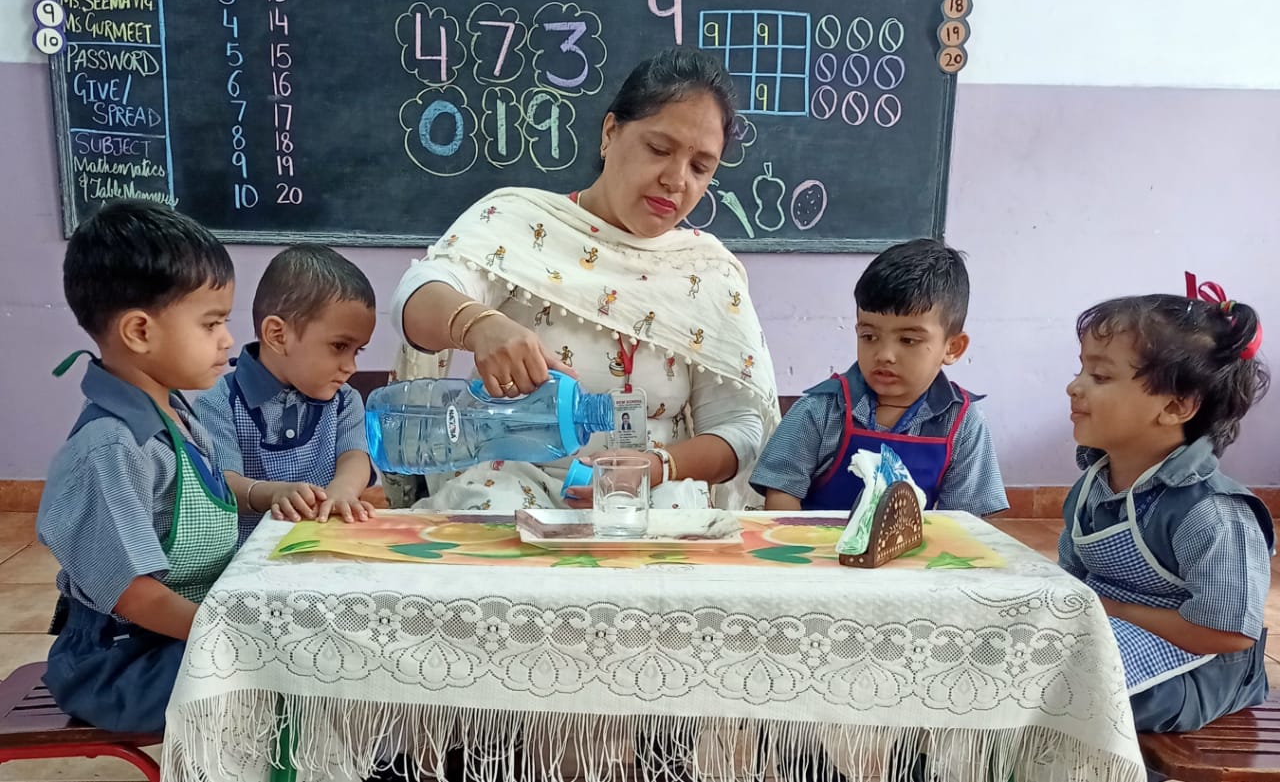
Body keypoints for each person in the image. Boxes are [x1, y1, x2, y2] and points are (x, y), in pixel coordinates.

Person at [387, 48, 779, 512]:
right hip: (514, 488)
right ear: (610, 133)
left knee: (678, 513)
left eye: (700, 168)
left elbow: (740, 427)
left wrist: (657, 467)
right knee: (493, 511)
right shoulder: (521, 223)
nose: (676, 180)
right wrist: (478, 326)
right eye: (659, 149)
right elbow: (416, 295)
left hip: (649, 497)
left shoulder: (705, 272)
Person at [36, 201, 237, 732]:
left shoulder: (174, 412)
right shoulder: (110, 448)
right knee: (280, 679)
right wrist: (236, 633)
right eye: (212, 322)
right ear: (140, 332)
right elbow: (134, 592)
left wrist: (263, 493)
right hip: (118, 663)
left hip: (169, 637)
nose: (228, 340)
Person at [1059, 292, 1272, 732]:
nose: (1075, 386)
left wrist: (1113, 610)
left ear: (1176, 406)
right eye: (1081, 368)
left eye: (1099, 375)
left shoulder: (1213, 512)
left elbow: (1229, 632)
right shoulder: (1090, 489)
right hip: (1113, 632)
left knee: (1066, 694)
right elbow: (1072, 582)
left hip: (1199, 671)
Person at [750, 238, 1008, 515]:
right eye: (869, 336)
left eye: (908, 340)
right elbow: (781, 495)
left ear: (953, 348)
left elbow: (967, 521)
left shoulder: (963, 423)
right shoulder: (820, 410)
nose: (884, 354)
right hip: (816, 552)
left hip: (912, 555)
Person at [197, 244, 378, 543]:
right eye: (339, 347)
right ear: (278, 336)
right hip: (246, 563)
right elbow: (224, 483)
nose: (351, 366)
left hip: (322, 551)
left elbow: (354, 456)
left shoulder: (345, 401)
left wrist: (342, 491)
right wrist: (273, 494)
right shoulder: (218, 402)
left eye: (358, 350)